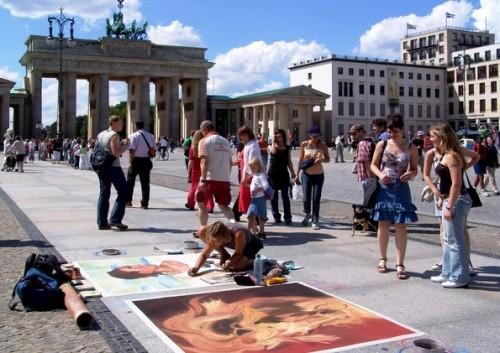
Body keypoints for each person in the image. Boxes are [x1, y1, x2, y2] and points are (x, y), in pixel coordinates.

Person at [425, 123, 474, 288]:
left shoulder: (452, 156)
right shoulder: (446, 155)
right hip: (449, 199)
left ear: (441, 137)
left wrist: (450, 205)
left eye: (432, 135)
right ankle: (447, 272)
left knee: (455, 240)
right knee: (448, 239)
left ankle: (460, 276)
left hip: (457, 200)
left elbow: (456, 183)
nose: (430, 139)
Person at [370, 114, 418, 280]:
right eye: (390, 131)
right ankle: (382, 259)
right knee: (383, 224)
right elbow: (373, 165)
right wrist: (380, 174)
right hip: (384, 187)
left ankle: (400, 263)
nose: (392, 134)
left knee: (401, 225)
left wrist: (410, 174)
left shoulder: (411, 146)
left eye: (395, 131)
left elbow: (414, 169)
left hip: (402, 188)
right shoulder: (382, 144)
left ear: (402, 129)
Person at [188, 221, 263, 276]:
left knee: (238, 266)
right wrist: (196, 267)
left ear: (224, 237)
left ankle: (251, 261)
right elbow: (204, 255)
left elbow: (238, 253)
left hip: (251, 243)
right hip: (235, 243)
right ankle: (224, 254)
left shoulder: (239, 234)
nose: (215, 243)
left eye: (217, 240)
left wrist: (229, 262)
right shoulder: (217, 236)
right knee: (231, 263)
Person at [196, 120, 234, 226]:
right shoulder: (226, 141)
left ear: (204, 130)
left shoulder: (204, 141)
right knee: (224, 206)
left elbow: (204, 161)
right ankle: (234, 226)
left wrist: (202, 180)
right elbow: (230, 162)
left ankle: (203, 228)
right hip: (224, 178)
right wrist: (227, 177)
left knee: (202, 205)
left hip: (209, 178)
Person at [96, 115, 130, 230]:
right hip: (113, 167)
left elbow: (103, 150)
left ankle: (102, 222)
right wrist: (125, 145)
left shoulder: (101, 134)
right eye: (120, 123)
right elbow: (115, 153)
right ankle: (115, 219)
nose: (122, 125)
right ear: (113, 123)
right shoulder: (114, 135)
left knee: (104, 193)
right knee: (124, 192)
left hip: (102, 167)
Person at [295, 126, 330, 230]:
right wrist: (297, 174)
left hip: (319, 175)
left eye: (318, 136)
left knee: (316, 198)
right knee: (306, 198)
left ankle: (315, 220)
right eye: (314, 136)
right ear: (309, 135)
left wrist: (322, 160)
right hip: (306, 175)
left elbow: (328, 159)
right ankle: (307, 213)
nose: (316, 138)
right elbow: (300, 160)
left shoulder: (323, 145)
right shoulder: (304, 144)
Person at [267, 129, 295, 225]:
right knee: (274, 197)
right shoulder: (270, 146)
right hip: (273, 174)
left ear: (283, 137)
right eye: (276, 136)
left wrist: (293, 173)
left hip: (284, 174)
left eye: (279, 136)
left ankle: (288, 217)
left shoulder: (287, 148)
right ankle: (276, 216)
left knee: (285, 197)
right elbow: (274, 152)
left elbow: (289, 161)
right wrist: (274, 142)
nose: (278, 138)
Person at [126, 121, 155, 209]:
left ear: (136, 126)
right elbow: (154, 149)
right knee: (145, 183)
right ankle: (145, 203)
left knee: (130, 182)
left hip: (136, 160)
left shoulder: (133, 136)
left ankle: (128, 201)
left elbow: (131, 150)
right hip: (146, 160)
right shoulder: (151, 136)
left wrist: (130, 163)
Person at [237, 126, 262, 219]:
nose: (241, 138)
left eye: (242, 135)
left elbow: (250, 164)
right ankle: (254, 218)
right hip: (249, 174)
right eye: (240, 136)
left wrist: (245, 177)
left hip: (251, 175)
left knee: (251, 198)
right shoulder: (249, 144)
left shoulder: (252, 145)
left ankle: (254, 218)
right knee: (250, 199)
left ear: (247, 135)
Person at [186, 130, 214, 211]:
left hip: (196, 170)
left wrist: (188, 172)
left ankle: (191, 204)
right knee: (207, 188)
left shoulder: (193, 147)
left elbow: (190, 162)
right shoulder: (206, 145)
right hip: (205, 169)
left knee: (194, 187)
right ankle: (209, 206)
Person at [246, 158, 270, 237]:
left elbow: (265, 186)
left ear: (258, 166)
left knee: (257, 215)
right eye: (251, 167)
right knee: (252, 215)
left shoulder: (261, 175)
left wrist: (256, 190)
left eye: (253, 167)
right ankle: (255, 231)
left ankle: (255, 232)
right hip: (254, 199)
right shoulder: (255, 174)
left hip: (259, 199)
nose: (252, 168)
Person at [350, 125, 374, 198]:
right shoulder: (368, 141)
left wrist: (371, 179)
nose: (352, 136)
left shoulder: (362, 144)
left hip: (367, 177)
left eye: (354, 134)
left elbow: (366, 162)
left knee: (368, 199)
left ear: (361, 132)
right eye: (351, 134)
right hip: (368, 177)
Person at [108, 260, 189, 279]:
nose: (137, 265)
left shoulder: (166, 262)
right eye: (132, 268)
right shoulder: (178, 277)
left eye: (131, 265)